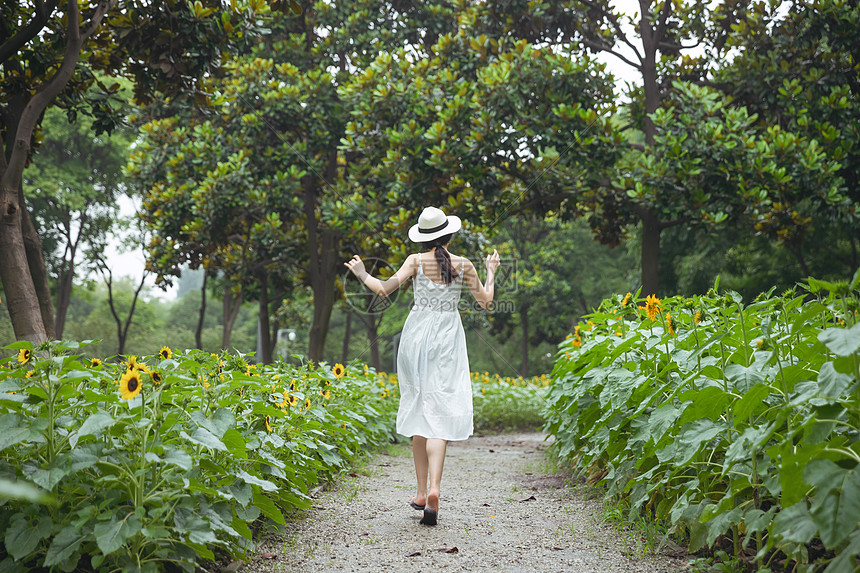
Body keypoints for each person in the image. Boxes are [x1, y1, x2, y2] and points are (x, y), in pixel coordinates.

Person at [344, 206, 500, 526]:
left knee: (419, 410)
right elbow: (486, 301)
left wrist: (361, 273)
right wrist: (491, 270)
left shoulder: (415, 261)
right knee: (439, 415)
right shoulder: (464, 264)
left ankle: (419, 492)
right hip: (447, 340)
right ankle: (434, 489)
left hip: (416, 338)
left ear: (423, 237)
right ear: (450, 234)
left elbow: (384, 290)